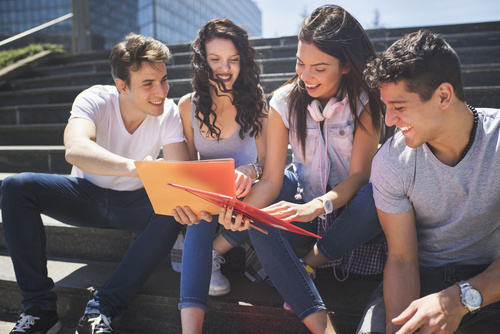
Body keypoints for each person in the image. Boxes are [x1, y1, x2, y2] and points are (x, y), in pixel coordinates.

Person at [1, 33, 189, 334]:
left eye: (164, 80)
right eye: (148, 84)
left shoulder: (168, 112)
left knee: (171, 208)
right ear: (121, 85)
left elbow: (178, 174)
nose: (161, 92)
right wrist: (134, 168)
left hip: (134, 205)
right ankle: (39, 309)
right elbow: (75, 148)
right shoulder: (95, 98)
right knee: (15, 187)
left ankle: (102, 308)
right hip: (85, 197)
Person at [218, 5, 386, 333]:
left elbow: (359, 177)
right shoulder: (282, 103)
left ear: (347, 65)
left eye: (319, 68)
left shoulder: (367, 102)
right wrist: (242, 212)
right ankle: (322, 326)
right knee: (260, 208)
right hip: (303, 206)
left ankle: (309, 263)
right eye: (300, 63)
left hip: (352, 213)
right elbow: (271, 177)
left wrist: (317, 205)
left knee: (377, 194)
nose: (305, 76)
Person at [359, 29, 500, 334]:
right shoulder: (390, 161)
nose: (388, 120)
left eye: (399, 106)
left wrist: (458, 299)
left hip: (491, 282)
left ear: (444, 96)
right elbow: (400, 258)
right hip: (419, 279)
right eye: (386, 106)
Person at [170, 19, 267, 333]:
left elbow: (270, 163)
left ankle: (211, 252)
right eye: (215, 60)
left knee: (261, 198)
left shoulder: (257, 100)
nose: (225, 69)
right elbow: (185, 168)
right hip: (209, 196)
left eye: (234, 60)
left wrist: (250, 171)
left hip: (250, 191)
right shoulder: (187, 106)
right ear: (201, 62)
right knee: (198, 214)